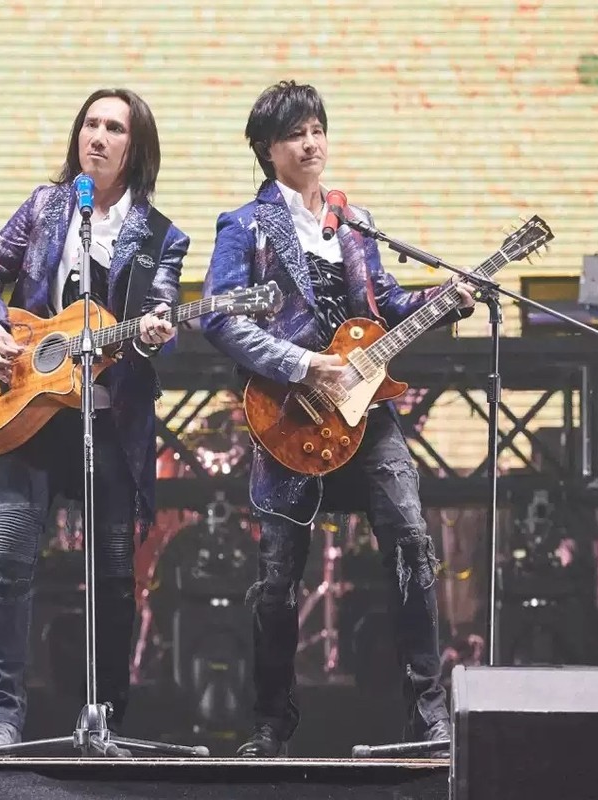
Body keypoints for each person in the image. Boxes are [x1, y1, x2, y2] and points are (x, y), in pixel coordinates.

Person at [201, 80, 474, 757]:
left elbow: (383, 306)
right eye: (295, 134)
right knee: (277, 577)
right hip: (289, 416)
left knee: (412, 542)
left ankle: (430, 714)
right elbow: (218, 317)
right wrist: (301, 365)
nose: (310, 143)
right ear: (267, 149)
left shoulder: (355, 223)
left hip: (367, 414)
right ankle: (271, 724)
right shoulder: (245, 226)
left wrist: (443, 302)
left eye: (317, 129)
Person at [0, 88, 190, 750]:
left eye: (113, 127)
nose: (97, 136)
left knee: (115, 575)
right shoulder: (46, 206)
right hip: (31, 412)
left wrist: (155, 331)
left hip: (110, 423)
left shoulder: (161, 237)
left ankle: (105, 716)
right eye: (90, 124)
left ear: (135, 147)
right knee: (6, 563)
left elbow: (162, 311)